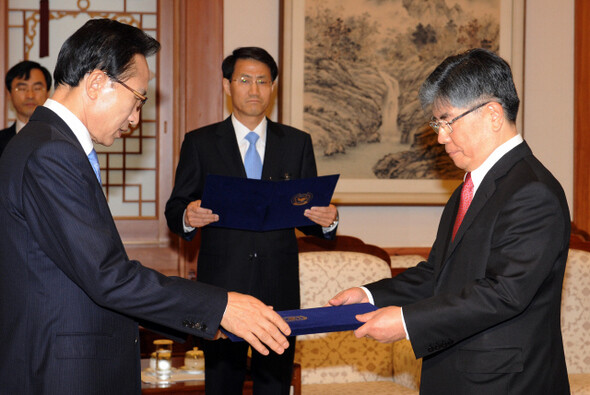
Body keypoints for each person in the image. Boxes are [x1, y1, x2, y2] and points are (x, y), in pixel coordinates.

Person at [0, 19, 292, 395]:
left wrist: (203, 320)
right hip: (61, 372)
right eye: (137, 99)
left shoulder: (43, 143)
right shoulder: (51, 152)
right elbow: (108, 276)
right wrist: (220, 307)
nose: (136, 118)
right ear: (96, 83)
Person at [329, 48, 571, 394]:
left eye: (447, 121)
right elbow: (438, 275)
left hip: (505, 382)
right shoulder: (469, 187)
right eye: (437, 124)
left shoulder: (533, 191)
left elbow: (504, 293)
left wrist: (407, 321)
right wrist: (371, 296)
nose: (441, 137)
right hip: (459, 373)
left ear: (492, 115)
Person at [165, 46, 339, 394]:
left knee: (274, 384)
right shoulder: (200, 142)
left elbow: (307, 215)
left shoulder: (297, 142)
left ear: (273, 87)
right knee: (222, 385)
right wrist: (187, 214)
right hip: (222, 289)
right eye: (245, 80)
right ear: (228, 85)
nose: (254, 89)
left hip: (279, 284)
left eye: (263, 81)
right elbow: (175, 209)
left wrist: (328, 220)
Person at [0, 60, 52, 157]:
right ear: (9, 94)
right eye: (22, 89)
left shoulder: (60, 138)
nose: (30, 95)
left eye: (37, 88)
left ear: (48, 93)